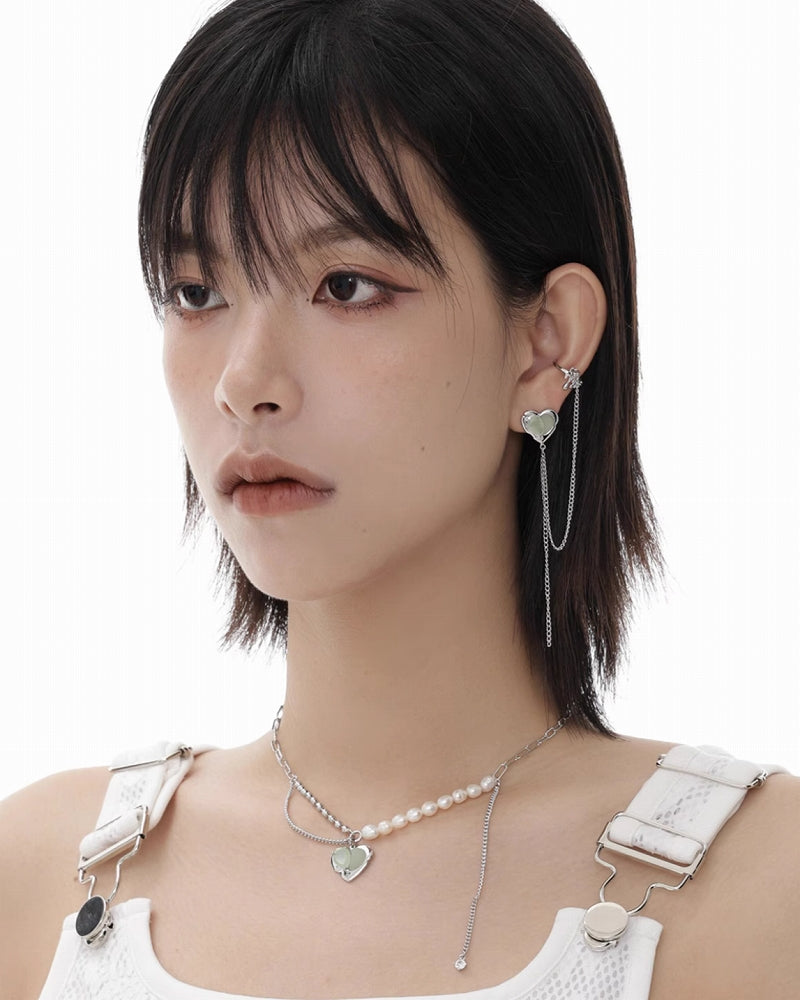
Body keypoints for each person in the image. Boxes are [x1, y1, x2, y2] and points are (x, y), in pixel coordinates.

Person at [1, 0, 798, 997]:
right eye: (197, 291)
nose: (244, 382)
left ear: (545, 341)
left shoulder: (761, 890)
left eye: (345, 285)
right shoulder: (46, 875)